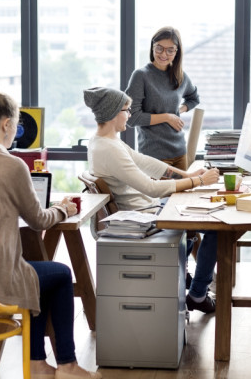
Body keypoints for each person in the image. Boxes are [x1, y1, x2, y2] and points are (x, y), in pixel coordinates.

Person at [0, 84, 100, 379]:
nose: (15, 130)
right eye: (15, 124)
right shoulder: (13, 166)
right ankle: (65, 365)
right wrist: (64, 208)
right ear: (5, 124)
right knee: (60, 274)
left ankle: (38, 364)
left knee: (32, 272)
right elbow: (39, 219)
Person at [83, 86, 220, 313]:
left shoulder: (104, 141)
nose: (129, 115)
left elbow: (145, 162)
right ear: (114, 113)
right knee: (215, 228)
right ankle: (197, 293)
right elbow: (152, 188)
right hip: (145, 215)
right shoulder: (109, 148)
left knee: (197, 214)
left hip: (148, 208)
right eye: (126, 110)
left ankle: (185, 277)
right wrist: (199, 182)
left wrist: (186, 175)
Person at [125, 26, 200, 171]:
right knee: (160, 194)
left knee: (183, 194)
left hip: (180, 152)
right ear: (153, 46)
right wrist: (167, 117)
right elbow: (133, 118)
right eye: (159, 48)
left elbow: (193, 98)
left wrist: (178, 110)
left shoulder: (180, 76)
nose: (164, 54)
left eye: (170, 50)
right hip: (154, 155)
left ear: (176, 52)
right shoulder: (141, 76)